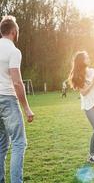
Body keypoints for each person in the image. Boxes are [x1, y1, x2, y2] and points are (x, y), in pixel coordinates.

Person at [0, 15, 35, 183]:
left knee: (1, 145)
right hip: (7, 99)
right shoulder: (14, 51)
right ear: (14, 32)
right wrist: (27, 108)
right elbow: (17, 82)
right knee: (19, 143)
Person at [69, 51, 94, 163]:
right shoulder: (77, 76)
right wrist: (93, 82)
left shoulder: (93, 71)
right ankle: (91, 154)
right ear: (81, 61)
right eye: (86, 57)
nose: (89, 58)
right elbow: (84, 93)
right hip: (89, 105)